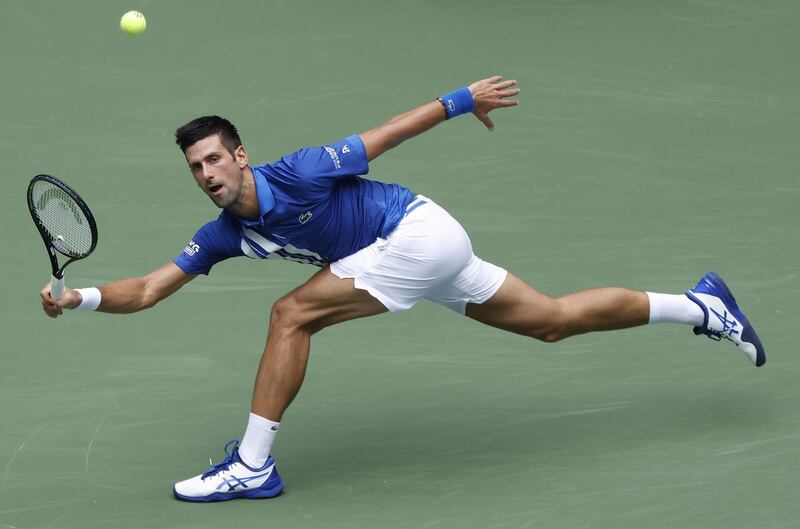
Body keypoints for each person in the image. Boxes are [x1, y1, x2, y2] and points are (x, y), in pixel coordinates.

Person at [39, 75, 765, 503]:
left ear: (240, 155)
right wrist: (83, 297)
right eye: (195, 168)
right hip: (419, 253)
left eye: (213, 160)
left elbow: (381, 136)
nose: (206, 175)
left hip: (414, 234)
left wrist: (460, 98)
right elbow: (152, 287)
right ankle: (701, 306)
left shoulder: (297, 171)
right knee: (551, 320)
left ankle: (252, 466)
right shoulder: (224, 233)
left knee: (291, 312)